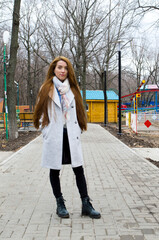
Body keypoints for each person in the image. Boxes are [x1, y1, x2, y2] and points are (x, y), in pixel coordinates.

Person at [33, 56, 101, 219]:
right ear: (53, 70)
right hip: (55, 135)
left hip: (71, 134)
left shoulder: (73, 88)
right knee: (54, 169)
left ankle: (86, 204)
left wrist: (79, 129)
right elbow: (41, 112)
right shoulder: (46, 88)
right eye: (59, 67)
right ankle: (60, 203)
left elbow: (79, 112)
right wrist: (46, 131)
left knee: (78, 169)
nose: (62, 70)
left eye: (65, 68)